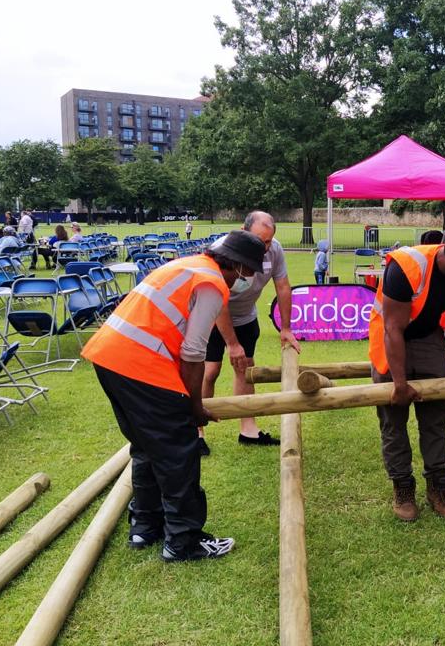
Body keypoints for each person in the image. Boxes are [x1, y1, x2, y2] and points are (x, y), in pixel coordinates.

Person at [82, 229, 267, 562]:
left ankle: (145, 527)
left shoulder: (188, 265)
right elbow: (194, 352)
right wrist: (193, 407)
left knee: (147, 445)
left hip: (108, 356)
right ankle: (183, 541)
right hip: (140, 363)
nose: (250, 280)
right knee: (179, 449)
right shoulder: (211, 284)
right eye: (250, 272)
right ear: (237, 266)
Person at [368, 221, 445, 521]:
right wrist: (399, 383)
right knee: (393, 421)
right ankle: (403, 487)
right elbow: (393, 329)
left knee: (435, 419)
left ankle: (439, 486)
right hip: (391, 339)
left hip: (429, 338)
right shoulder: (407, 266)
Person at [199, 212, 300, 453]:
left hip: (246, 316)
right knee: (210, 371)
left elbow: (283, 286)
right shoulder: (221, 251)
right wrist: (232, 343)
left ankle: (248, 429)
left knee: (245, 368)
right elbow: (218, 299)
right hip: (213, 315)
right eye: (259, 241)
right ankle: (196, 430)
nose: (264, 248)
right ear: (243, 231)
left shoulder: (274, 250)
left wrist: (286, 328)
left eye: (268, 241)